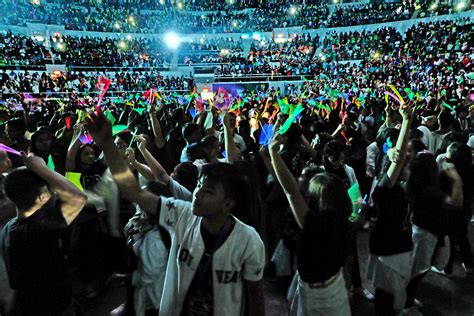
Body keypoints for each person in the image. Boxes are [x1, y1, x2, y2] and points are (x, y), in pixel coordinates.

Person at [85, 110, 265, 316]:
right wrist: (108, 145)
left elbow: (255, 300)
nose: (197, 194)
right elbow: (133, 191)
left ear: (227, 205)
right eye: (199, 186)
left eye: (208, 191)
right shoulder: (182, 214)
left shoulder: (248, 240)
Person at [269, 134, 352, 316]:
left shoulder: (316, 225)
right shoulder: (346, 222)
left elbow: (290, 190)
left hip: (316, 294)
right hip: (336, 285)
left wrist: (272, 152)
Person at [1, 152, 86, 315]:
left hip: (32, 304)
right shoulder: (38, 230)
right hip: (52, 306)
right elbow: (78, 198)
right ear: (42, 197)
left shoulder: (12, 227)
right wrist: (42, 168)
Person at [367, 103, 414, 315]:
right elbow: (400, 155)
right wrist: (406, 121)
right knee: (386, 300)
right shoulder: (386, 187)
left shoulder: (394, 187)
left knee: (387, 297)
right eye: (406, 164)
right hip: (389, 250)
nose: (409, 167)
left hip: (395, 246)